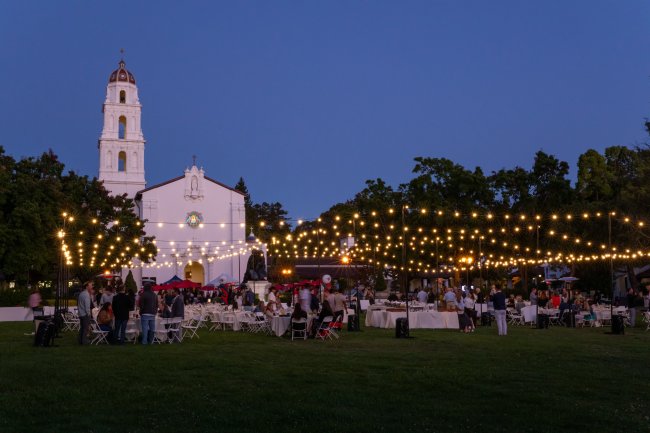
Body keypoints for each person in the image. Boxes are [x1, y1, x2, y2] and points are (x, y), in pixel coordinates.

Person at [77, 281, 94, 345]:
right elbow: (87, 306)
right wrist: (89, 314)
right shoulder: (86, 295)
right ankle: (84, 341)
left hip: (81, 314)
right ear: (87, 286)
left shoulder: (81, 293)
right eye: (91, 285)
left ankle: (80, 340)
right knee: (85, 328)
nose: (92, 286)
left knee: (82, 328)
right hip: (85, 314)